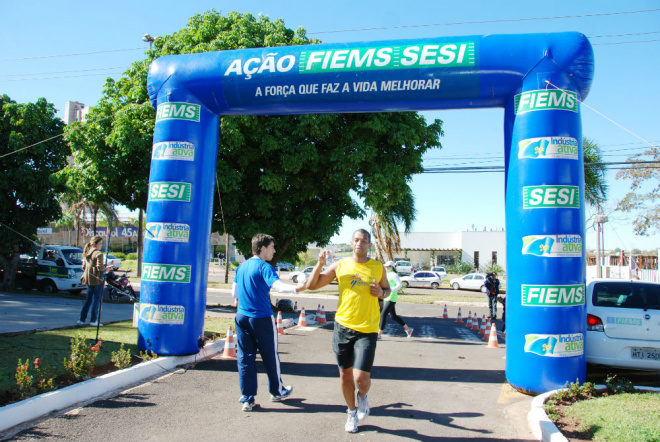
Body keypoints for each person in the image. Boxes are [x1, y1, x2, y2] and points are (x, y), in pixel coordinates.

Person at [302, 229, 390, 433]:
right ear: (351, 243)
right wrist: (320, 264)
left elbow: (387, 290)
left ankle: (362, 397)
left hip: (367, 329)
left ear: (369, 245)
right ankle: (351, 414)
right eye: (357, 240)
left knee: (361, 379)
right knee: (345, 376)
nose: (360, 243)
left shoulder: (377, 267)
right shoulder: (341, 265)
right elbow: (312, 285)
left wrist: (381, 292)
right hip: (343, 327)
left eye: (364, 241)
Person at [232, 233, 304, 412]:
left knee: (245, 358)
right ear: (262, 248)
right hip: (261, 318)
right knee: (270, 356)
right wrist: (298, 288)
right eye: (272, 247)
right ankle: (277, 391)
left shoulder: (241, 267)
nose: (274, 251)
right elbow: (278, 286)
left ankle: (248, 399)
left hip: (241, 317)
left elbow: (234, 293)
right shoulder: (265, 267)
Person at [378, 261, 413, 340]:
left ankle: (379, 334)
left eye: (387, 266)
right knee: (393, 316)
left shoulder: (394, 275)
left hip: (392, 297)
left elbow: (399, 285)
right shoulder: (388, 274)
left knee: (383, 315)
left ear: (391, 267)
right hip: (387, 297)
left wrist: (391, 290)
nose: (386, 268)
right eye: (385, 266)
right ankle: (408, 329)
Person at [78, 236, 106, 326]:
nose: (101, 245)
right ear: (96, 244)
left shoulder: (87, 252)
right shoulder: (98, 254)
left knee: (88, 300)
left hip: (89, 280)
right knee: (96, 300)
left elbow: (83, 267)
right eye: (101, 243)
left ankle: (81, 320)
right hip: (97, 280)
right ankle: (93, 321)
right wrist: (106, 268)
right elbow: (100, 267)